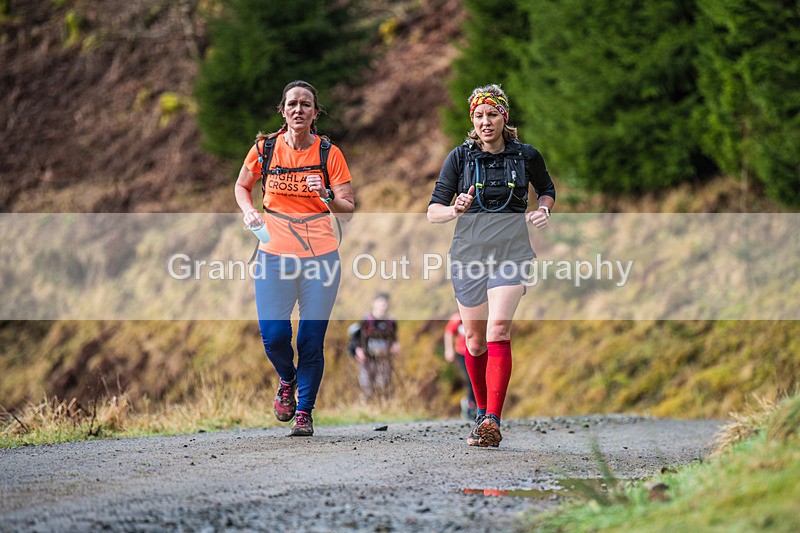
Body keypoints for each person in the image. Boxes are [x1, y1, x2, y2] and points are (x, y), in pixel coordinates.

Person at [427, 83, 555, 447]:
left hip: (512, 254)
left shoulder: (526, 156)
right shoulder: (460, 158)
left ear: (504, 117)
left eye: (493, 114)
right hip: (468, 256)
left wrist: (543, 209)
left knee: (498, 329)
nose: (486, 122)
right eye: (479, 115)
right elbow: (433, 211)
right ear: (473, 120)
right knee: (473, 340)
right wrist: (454, 209)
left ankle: (493, 419)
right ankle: (482, 413)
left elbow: (547, 189)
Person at [234, 80, 355, 437]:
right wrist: (249, 211)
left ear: (315, 113)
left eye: (306, 104)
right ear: (283, 111)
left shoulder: (329, 154)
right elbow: (242, 186)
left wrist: (327, 194)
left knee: (310, 340)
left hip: (321, 258)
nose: (299, 109)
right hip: (273, 254)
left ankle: (304, 412)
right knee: (273, 335)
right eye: (293, 104)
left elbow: (348, 211)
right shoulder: (265, 148)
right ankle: (287, 379)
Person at [347, 292, 400, 401]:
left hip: (384, 360)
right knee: (367, 386)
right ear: (374, 303)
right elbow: (355, 339)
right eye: (380, 302)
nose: (383, 305)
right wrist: (357, 350)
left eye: (385, 303)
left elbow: (394, 338)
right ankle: (364, 406)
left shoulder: (391, 322)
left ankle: (380, 406)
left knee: (382, 385)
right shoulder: (366, 320)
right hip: (367, 359)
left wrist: (395, 345)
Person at [443, 311, 477, 420]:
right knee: (470, 378)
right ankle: (471, 403)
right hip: (462, 353)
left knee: (479, 377)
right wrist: (449, 350)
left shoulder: (478, 315)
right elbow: (448, 332)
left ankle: (474, 403)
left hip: (477, 352)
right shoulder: (457, 318)